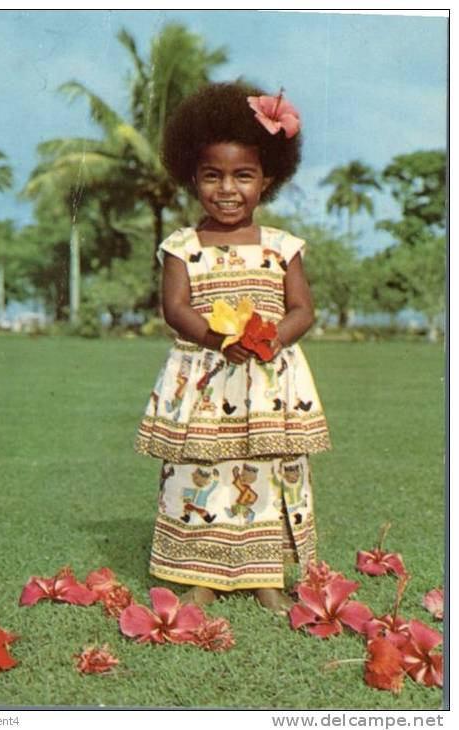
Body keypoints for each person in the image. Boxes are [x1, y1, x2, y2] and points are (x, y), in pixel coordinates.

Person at [135, 82, 331, 615]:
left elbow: (302, 310)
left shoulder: (282, 247)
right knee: (205, 470)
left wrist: (271, 338)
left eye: (243, 176)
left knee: (267, 471)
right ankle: (203, 576)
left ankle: (265, 576)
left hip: (267, 380)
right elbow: (175, 309)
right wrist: (219, 338)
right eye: (212, 176)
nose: (227, 189)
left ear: (267, 179)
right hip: (205, 378)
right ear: (192, 177)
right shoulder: (182, 247)